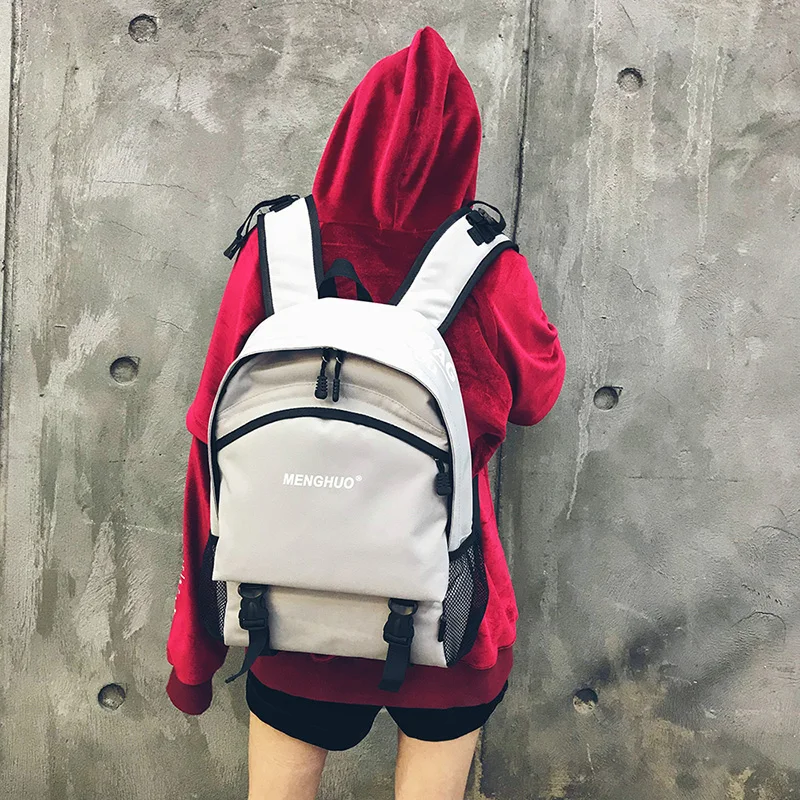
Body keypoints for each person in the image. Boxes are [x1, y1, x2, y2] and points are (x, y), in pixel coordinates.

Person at [166, 26, 565, 800]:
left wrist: (195, 654)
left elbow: (209, 445)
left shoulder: (276, 250)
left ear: (346, 132)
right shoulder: (489, 266)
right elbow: (537, 398)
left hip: (289, 615)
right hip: (450, 612)